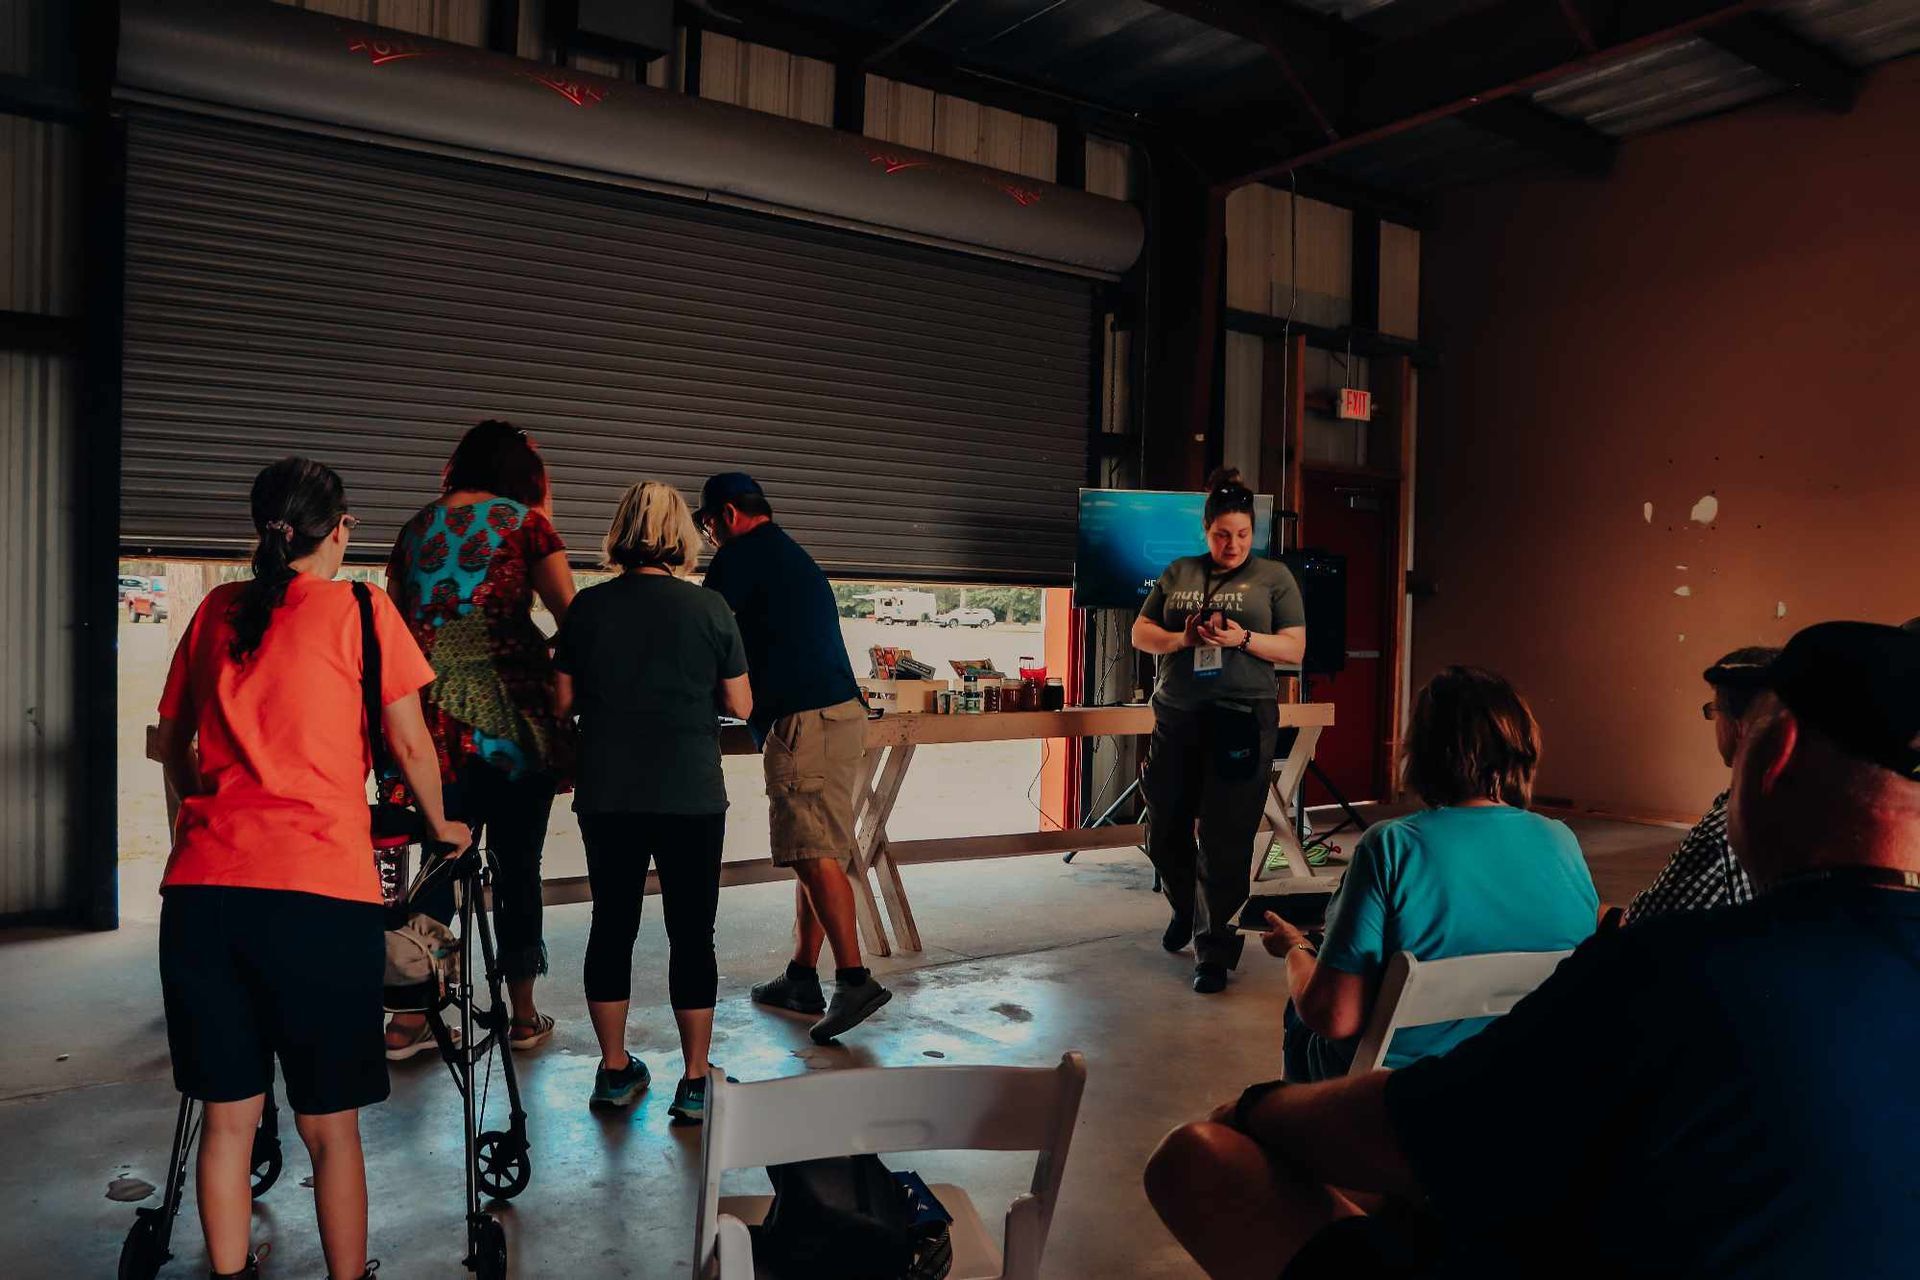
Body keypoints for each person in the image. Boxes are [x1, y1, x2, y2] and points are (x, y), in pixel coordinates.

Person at [1144, 620, 1920, 1280]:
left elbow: (1414, 1129)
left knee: (1196, 1158)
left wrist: (1255, 1105)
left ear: (1773, 750)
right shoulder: (1562, 848)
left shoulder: (1672, 970)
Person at [153, 458, 471, 1280]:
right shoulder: (361, 610)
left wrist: (204, 806)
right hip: (317, 900)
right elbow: (408, 742)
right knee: (330, 1128)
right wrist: (442, 825)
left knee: (227, 1123)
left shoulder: (215, 610)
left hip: (203, 897)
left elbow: (173, 745)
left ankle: (229, 1273)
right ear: (341, 530)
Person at [1263, 666, 1599, 1080]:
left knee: (1301, 1013)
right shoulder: (1561, 841)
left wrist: (1296, 949)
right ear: (1522, 747)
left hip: (1394, 1088)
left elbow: (1333, 1018)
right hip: (1518, 1073)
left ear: (1422, 752)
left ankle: (1302, 1134)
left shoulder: (1390, 846)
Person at [553, 482, 753, 1123]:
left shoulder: (586, 609)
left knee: (612, 925)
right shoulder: (711, 609)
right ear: (682, 538)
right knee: (692, 932)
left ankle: (615, 1071)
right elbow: (742, 705)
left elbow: (560, 705)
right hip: (690, 793)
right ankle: (694, 1081)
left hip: (609, 793)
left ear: (619, 533)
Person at [381, 420, 575, 1060]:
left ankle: (411, 1019)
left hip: (429, 728)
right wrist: (538, 652)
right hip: (514, 726)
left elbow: (397, 629)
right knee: (519, 866)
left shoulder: (413, 532)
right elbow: (575, 618)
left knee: (438, 861)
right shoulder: (527, 524)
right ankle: (522, 1017)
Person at [696, 472, 892, 1043]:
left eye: (708, 523)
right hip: (836, 717)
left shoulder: (739, 557)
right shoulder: (788, 554)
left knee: (812, 853)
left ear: (728, 514)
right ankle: (801, 977)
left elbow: (704, 633)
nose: (708, 536)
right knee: (816, 850)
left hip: (806, 722)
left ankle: (854, 979)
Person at [1131, 467, 1308, 993]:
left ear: (1253, 533)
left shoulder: (1275, 578)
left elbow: (1294, 649)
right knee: (1163, 828)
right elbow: (1142, 632)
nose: (1232, 545)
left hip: (1242, 718)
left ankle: (1214, 950)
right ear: (1205, 531)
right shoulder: (1179, 572)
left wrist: (1242, 638)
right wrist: (1183, 641)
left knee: (1225, 837)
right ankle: (1187, 908)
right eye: (1221, 535)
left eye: (1242, 535)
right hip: (1177, 715)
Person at [1623, 646, 1778, 925]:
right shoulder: (1801, 809)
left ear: (1738, 725)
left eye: (1715, 710)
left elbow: (1645, 925)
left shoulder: (1728, 828)